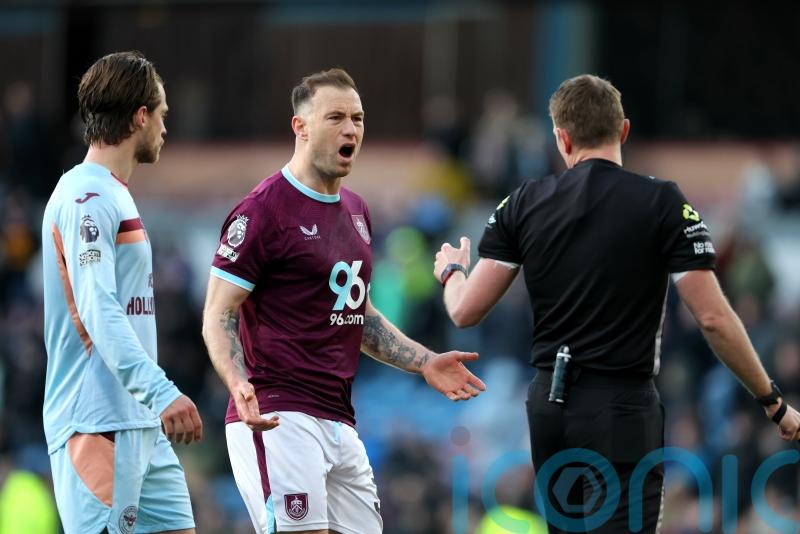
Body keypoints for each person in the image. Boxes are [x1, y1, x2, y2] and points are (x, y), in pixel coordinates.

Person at [433, 74, 800, 533]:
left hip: (548, 406)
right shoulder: (661, 202)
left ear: (561, 138)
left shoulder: (523, 202)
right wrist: (772, 402)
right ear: (623, 130)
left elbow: (464, 311)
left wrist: (452, 272)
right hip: (620, 408)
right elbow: (711, 317)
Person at [202, 68, 486, 534]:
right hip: (278, 414)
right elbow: (219, 311)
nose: (351, 128)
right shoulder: (263, 211)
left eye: (357, 118)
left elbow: (360, 315)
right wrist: (237, 382)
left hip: (339, 418)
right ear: (301, 126)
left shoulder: (356, 211)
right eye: (335, 117)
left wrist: (426, 362)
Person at [41, 51, 203, 534]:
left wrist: (152, 402)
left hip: (141, 423)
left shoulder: (112, 192)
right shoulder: (85, 196)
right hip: (96, 422)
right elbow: (97, 308)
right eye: (163, 116)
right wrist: (160, 391)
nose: (164, 129)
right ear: (140, 117)